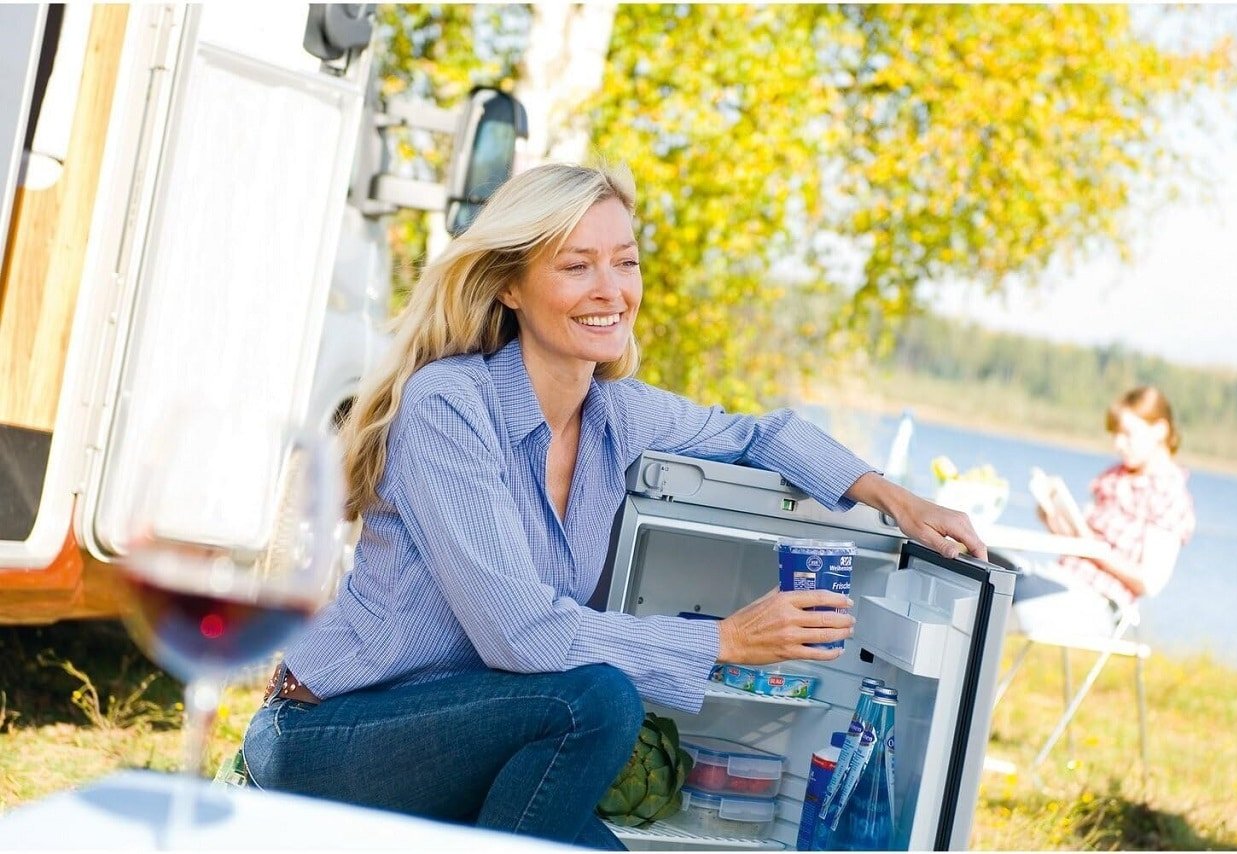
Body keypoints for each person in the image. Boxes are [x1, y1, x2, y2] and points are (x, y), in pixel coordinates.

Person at [239, 162, 986, 849]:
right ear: (509, 285)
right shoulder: (450, 406)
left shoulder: (615, 415)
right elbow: (522, 638)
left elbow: (756, 434)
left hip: (472, 741)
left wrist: (891, 496)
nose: (611, 290)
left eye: (625, 262)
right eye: (576, 266)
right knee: (595, 701)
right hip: (329, 736)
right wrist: (724, 641)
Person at [1007, 386, 1196, 635]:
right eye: (1115, 434)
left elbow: (1149, 581)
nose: (1118, 444)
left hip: (1098, 603)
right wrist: (1054, 519)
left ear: (1159, 430)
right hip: (1060, 579)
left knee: (999, 590)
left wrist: (1094, 548)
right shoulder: (1115, 478)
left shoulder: (1167, 494)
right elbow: (1081, 544)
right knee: (987, 569)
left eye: (1127, 434)